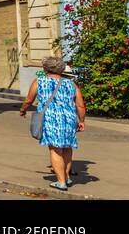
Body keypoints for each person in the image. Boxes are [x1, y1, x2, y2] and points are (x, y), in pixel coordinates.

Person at [19, 56, 85, 191]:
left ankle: (61, 182)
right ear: (61, 69)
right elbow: (80, 105)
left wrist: (23, 110)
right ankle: (66, 177)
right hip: (69, 119)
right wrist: (82, 121)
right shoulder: (71, 84)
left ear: (45, 68)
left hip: (51, 119)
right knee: (67, 147)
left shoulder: (40, 81)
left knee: (55, 149)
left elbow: (29, 100)